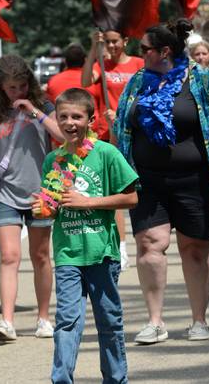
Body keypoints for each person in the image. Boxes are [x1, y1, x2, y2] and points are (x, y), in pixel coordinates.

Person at [112, 19, 209, 344]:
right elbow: (122, 124)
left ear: (164, 51)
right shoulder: (138, 81)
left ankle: (199, 319)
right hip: (146, 180)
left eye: (144, 49)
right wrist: (118, 167)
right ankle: (155, 322)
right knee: (149, 245)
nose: (138, 54)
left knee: (194, 248)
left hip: (194, 179)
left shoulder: (201, 78)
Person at [32, 88, 137, 384]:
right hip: (67, 253)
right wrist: (43, 208)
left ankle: (115, 379)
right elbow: (53, 205)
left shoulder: (106, 154)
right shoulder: (54, 159)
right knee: (66, 321)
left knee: (109, 321)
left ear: (90, 119)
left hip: (101, 252)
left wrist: (88, 201)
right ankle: (62, 379)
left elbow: (131, 199)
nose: (69, 122)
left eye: (77, 116)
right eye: (63, 116)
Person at [0, 55, 64, 342]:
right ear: (0, 86)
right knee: (10, 256)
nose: (17, 92)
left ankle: (44, 318)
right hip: (6, 194)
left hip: (41, 192)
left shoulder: (45, 104)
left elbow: (62, 134)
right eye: (11, 88)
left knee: (40, 256)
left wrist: (35, 111)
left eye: (22, 86)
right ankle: (7, 321)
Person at [81, 29, 144, 270]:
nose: (111, 46)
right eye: (107, 42)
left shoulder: (138, 64)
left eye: (115, 41)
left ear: (126, 41)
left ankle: (143, 237)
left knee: (137, 189)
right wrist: (92, 50)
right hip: (108, 135)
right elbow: (86, 81)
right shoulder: (102, 65)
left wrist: (123, 116)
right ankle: (121, 246)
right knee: (115, 191)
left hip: (134, 132)